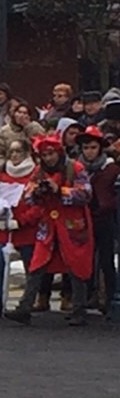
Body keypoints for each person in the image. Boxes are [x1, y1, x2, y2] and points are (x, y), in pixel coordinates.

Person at [5, 133, 94, 326]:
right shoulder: (39, 172)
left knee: (77, 267)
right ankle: (24, 308)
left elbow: (86, 194)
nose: (48, 158)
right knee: (37, 266)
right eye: (44, 155)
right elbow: (28, 196)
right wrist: (38, 193)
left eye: (51, 154)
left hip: (72, 225)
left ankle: (79, 309)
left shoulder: (75, 168)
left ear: (59, 152)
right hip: (48, 225)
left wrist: (60, 190)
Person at [0, 138, 40, 317]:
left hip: (26, 230)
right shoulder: (2, 175)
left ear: (26, 153)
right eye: (11, 152)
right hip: (5, 230)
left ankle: (27, 303)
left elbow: (38, 205)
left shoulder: (35, 175)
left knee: (31, 268)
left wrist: (22, 221)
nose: (14, 155)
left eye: (18, 151)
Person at [79, 126, 118, 310]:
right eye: (86, 148)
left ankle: (108, 297)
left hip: (104, 218)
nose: (89, 151)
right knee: (84, 258)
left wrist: (107, 206)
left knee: (106, 258)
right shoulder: (77, 168)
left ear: (100, 148)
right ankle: (88, 295)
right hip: (82, 218)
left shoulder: (111, 169)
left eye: (93, 147)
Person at [0, 100, 45, 168]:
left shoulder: (35, 127)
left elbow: (42, 143)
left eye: (25, 113)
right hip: (10, 168)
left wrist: (28, 126)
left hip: (32, 167)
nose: (21, 115)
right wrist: (4, 166)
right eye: (19, 112)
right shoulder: (4, 131)